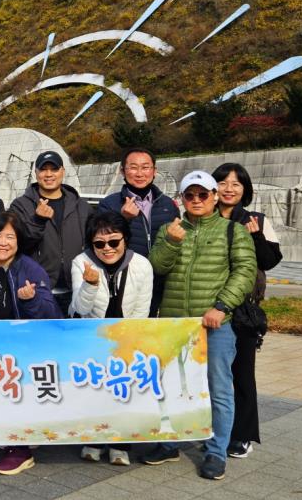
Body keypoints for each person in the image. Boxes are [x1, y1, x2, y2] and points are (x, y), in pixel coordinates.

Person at [145, 171, 256, 480]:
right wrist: (171, 242)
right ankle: (169, 445)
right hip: (175, 325)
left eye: (202, 194)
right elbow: (157, 266)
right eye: (190, 195)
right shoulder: (171, 229)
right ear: (182, 199)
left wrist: (221, 307)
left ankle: (216, 451)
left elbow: (245, 272)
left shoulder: (233, 231)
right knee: (171, 387)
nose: (196, 200)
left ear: (214, 196)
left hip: (216, 325)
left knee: (219, 389)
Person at [0, 211, 61, 475]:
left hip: (25, 348)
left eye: (10, 236)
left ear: (19, 241)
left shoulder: (30, 269)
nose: (3, 242)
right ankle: (12, 439)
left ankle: (21, 450)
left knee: (18, 396)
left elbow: (51, 314)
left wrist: (30, 300)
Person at [69, 211, 153, 466]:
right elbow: (79, 309)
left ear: (125, 240)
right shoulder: (81, 262)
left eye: (114, 242)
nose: (107, 249)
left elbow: (142, 310)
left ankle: (120, 444)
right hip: (92, 336)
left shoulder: (141, 265)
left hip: (127, 336)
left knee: (122, 388)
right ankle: (93, 439)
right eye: (99, 244)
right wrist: (90, 285)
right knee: (94, 389)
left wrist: (130, 342)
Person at [213, 163, 282, 459]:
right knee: (212, 375)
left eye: (236, 184)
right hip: (209, 307)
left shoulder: (258, 220)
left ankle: (242, 435)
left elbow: (269, 261)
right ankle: (212, 430)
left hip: (241, 311)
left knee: (241, 374)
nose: (229, 188)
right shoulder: (202, 215)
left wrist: (255, 237)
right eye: (223, 182)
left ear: (245, 190)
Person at [97, 148, 180, 315]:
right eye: (133, 167)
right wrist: (123, 219)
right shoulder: (109, 205)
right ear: (122, 171)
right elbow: (100, 244)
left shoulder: (168, 205)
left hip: (162, 284)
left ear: (154, 171)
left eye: (145, 167)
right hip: (126, 283)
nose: (140, 173)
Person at [9, 151, 91, 315]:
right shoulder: (20, 206)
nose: (48, 174)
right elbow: (16, 245)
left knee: (73, 338)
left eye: (53, 169)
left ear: (62, 171)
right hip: (36, 288)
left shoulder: (81, 206)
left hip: (76, 287)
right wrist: (37, 221)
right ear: (36, 173)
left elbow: (94, 243)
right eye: (43, 169)